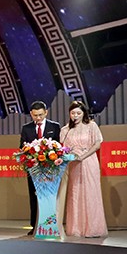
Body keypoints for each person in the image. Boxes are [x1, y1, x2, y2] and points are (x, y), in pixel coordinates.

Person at [60, 101, 107, 238]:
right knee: (75, 193)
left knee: (90, 192)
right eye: (73, 113)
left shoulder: (91, 126)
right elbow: (63, 148)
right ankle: (76, 228)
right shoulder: (65, 129)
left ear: (84, 113)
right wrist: (71, 155)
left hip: (89, 161)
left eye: (78, 113)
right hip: (74, 163)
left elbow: (97, 145)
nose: (75, 116)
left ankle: (93, 228)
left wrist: (83, 156)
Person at [19, 100, 61, 235]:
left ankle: (50, 225)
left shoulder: (55, 127)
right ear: (31, 114)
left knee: (49, 197)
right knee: (34, 197)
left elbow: (59, 147)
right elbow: (22, 148)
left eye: (41, 115)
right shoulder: (26, 128)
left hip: (50, 169)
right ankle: (35, 225)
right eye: (35, 115)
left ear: (46, 112)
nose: (38, 118)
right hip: (33, 170)